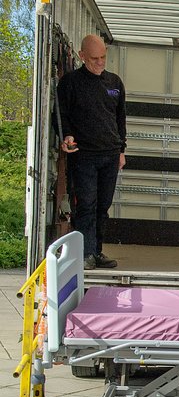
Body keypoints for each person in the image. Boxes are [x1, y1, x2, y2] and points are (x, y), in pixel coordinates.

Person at [57, 34, 127, 271]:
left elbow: (120, 119)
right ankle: (84, 253)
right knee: (86, 204)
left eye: (103, 57)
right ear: (81, 56)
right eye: (94, 58)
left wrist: (121, 150)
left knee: (103, 206)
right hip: (84, 154)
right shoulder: (70, 82)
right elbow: (63, 115)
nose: (100, 63)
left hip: (110, 153)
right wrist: (66, 135)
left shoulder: (114, 83)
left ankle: (96, 251)